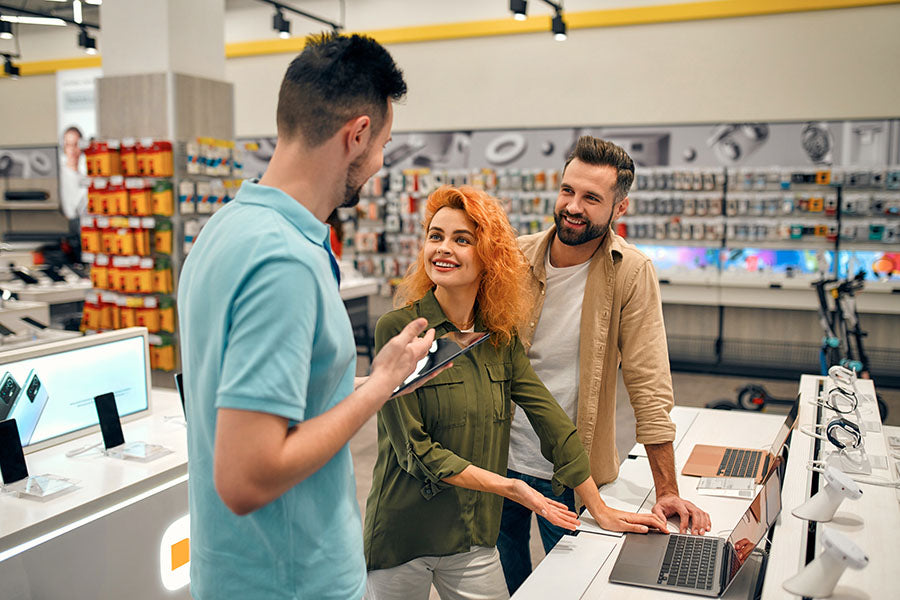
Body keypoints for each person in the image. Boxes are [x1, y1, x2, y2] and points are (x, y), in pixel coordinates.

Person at [177, 33, 439, 600]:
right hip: (293, 582)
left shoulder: (226, 228)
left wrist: (378, 377)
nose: (382, 161)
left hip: (233, 575)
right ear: (358, 134)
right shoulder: (283, 262)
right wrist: (380, 387)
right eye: (384, 143)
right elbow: (247, 476)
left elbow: (281, 402)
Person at [364, 185, 666, 600]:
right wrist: (510, 487)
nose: (443, 249)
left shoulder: (498, 340)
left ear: (489, 254)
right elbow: (415, 451)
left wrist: (598, 507)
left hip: (472, 534)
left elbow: (553, 422)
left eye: (461, 239)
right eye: (435, 236)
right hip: (404, 536)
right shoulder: (401, 330)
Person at [498, 135, 712, 594]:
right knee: (505, 582)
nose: (573, 206)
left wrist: (667, 490)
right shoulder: (513, 258)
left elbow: (649, 383)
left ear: (620, 208)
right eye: (567, 191)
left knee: (573, 584)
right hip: (496, 458)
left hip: (573, 475)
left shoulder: (631, 272)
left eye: (591, 198)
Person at [59, 126, 87, 221]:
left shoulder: (85, 178)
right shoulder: (59, 176)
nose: (72, 150)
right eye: (68, 145)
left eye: (76, 145)